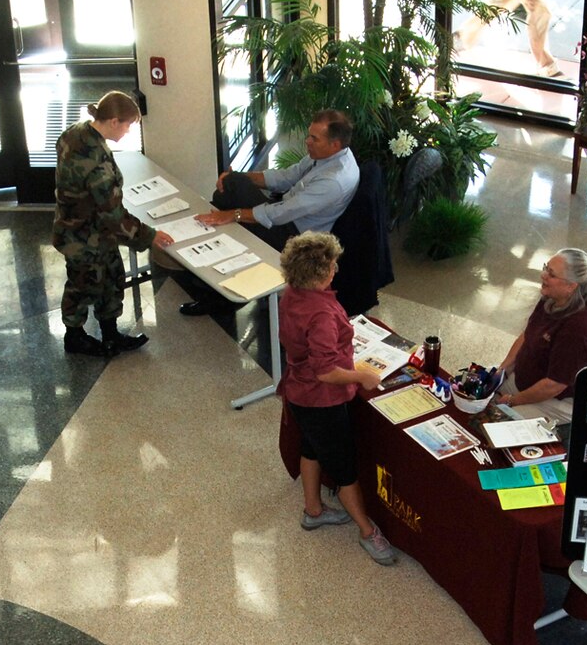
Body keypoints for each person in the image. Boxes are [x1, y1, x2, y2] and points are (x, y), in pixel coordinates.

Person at [277, 232, 397, 566]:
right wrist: (362, 376)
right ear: (320, 273)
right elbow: (326, 371)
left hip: (297, 392)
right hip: (321, 400)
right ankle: (367, 532)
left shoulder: (291, 294)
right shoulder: (322, 315)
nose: (335, 269)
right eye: (332, 265)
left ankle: (313, 511)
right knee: (344, 470)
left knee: (310, 449)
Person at [51, 91, 173, 357]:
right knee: (81, 285)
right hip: (83, 238)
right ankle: (74, 337)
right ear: (114, 121)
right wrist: (149, 236)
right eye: (128, 125)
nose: (128, 131)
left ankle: (110, 334)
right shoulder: (96, 162)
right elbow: (113, 215)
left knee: (111, 278)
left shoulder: (76, 132)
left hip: (86, 230)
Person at [199, 109, 359, 248]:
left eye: (314, 139)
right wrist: (238, 175)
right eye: (309, 135)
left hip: (294, 234)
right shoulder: (327, 154)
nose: (307, 141)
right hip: (286, 210)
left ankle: (211, 238)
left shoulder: (334, 181)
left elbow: (284, 212)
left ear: (335, 145)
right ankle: (213, 229)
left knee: (227, 199)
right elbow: (286, 176)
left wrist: (234, 214)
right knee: (231, 183)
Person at [496, 248, 587, 425]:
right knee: (477, 392)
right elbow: (527, 335)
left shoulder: (581, 329)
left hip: (559, 399)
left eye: (551, 274)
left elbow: (554, 385)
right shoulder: (552, 297)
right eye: (545, 267)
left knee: (497, 423)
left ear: (571, 286)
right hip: (527, 379)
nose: (543, 275)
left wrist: (512, 401)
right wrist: (501, 371)